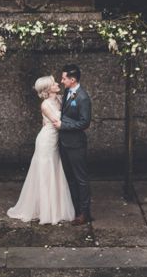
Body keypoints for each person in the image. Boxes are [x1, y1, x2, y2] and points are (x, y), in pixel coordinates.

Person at [7, 76, 76, 225]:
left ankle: (55, 208)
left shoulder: (59, 98)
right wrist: (78, 123)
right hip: (46, 141)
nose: (57, 83)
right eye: (54, 83)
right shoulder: (45, 104)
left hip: (55, 141)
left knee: (55, 171)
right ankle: (46, 211)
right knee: (46, 172)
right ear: (47, 89)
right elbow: (58, 122)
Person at [53, 64, 92, 225]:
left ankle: (85, 213)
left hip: (76, 144)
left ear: (72, 79)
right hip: (64, 143)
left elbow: (85, 123)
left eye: (64, 78)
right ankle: (75, 209)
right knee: (70, 178)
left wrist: (64, 126)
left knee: (80, 179)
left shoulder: (83, 98)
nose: (61, 81)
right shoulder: (68, 92)